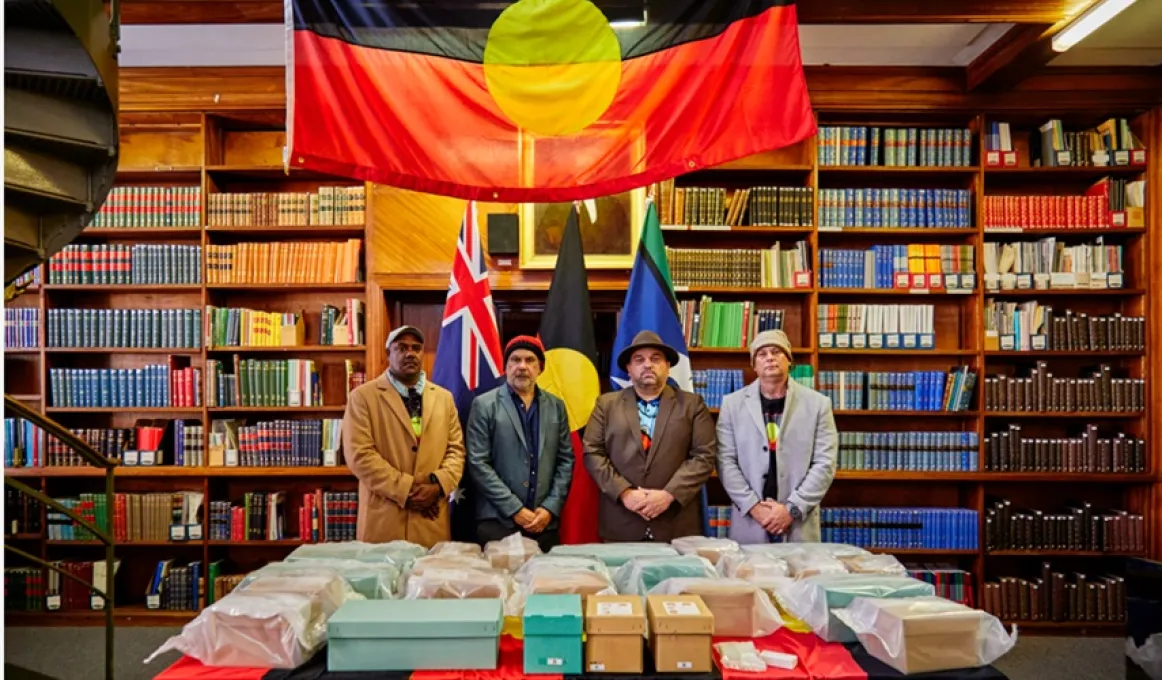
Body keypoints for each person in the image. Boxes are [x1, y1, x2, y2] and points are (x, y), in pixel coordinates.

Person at [583, 330, 716, 542]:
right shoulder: (606, 405)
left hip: (676, 523)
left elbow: (704, 456)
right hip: (622, 522)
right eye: (639, 360)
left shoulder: (692, 405)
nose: (647, 365)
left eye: (656, 359)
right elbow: (592, 453)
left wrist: (668, 495)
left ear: (667, 366)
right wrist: (625, 493)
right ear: (629, 368)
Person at [342, 325, 465, 548]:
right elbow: (360, 455)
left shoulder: (444, 398)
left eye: (416, 348)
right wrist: (408, 491)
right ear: (388, 354)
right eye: (401, 348)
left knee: (428, 581)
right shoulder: (363, 397)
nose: (410, 353)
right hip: (384, 519)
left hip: (431, 519)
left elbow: (456, 451)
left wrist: (437, 486)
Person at [716, 329, 837, 544]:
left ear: (789, 360)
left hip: (798, 520)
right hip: (751, 519)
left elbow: (825, 463)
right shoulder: (732, 404)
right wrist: (754, 507)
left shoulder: (818, 404)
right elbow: (725, 461)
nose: (770, 358)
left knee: (800, 576)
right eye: (762, 354)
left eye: (776, 352)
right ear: (754, 365)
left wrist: (791, 509)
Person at [465, 336, 574, 552]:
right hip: (498, 522)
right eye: (515, 360)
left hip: (544, 523)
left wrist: (549, 508)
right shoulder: (484, 405)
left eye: (529, 360)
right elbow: (478, 463)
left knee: (544, 585)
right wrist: (514, 509)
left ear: (540, 368)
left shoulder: (556, 406)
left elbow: (565, 460)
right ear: (506, 367)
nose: (522, 367)